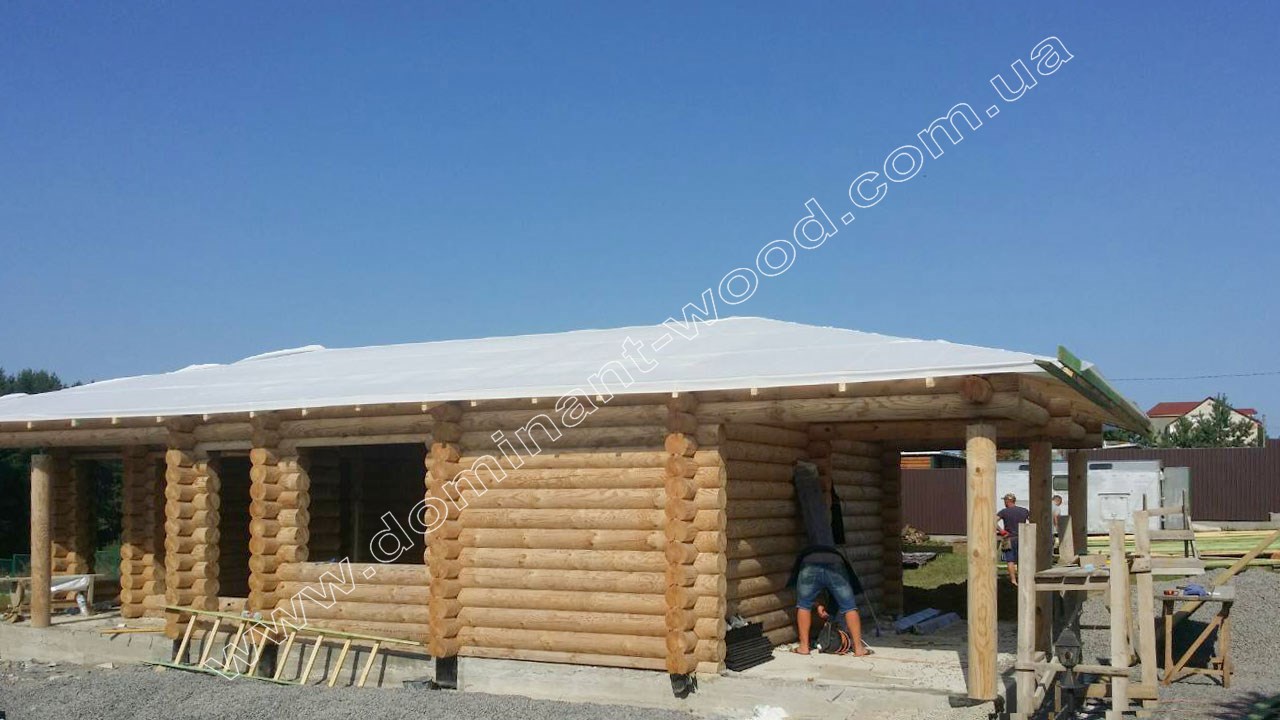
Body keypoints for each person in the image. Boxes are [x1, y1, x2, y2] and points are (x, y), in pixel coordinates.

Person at [787, 461, 869, 656]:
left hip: (810, 563)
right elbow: (834, 592)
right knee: (849, 606)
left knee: (803, 605)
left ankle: (804, 647)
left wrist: (819, 604)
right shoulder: (834, 557)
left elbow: (813, 592)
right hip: (834, 562)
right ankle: (858, 648)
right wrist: (823, 606)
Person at [996, 493, 1031, 586]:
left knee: (1010, 560)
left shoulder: (1004, 512)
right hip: (1022, 538)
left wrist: (1001, 531)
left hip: (1009, 538)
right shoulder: (1024, 511)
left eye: (1004, 501)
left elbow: (993, 521)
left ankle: (1013, 580)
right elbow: (1032, 521)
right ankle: (1022, 579)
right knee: (1022, 559)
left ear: (1007, 501)